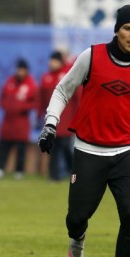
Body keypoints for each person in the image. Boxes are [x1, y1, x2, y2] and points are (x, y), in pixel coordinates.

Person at [37, 4, 130, 257]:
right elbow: (63, 89)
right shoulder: (92, 56)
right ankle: (78, 236)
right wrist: (50, 124)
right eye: (128, 29)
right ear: (117, 30)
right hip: (88, 151)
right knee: (75, 217)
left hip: (125, 154)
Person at [38, 50, 82, 181]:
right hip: (52, 119)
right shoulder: (46, 77)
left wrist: (78, 115)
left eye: (55, 60)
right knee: (53, 146)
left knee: (65, 147)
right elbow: (42, 99)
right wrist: (40, 114)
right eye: (51, 60)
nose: (52, 63)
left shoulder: (67, 74)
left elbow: (77, 96)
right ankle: (54, 175)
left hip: (67, 119)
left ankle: (73, 171)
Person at [0, 59, 38, 180]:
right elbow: (2, 98)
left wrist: (21, 107)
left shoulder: (30, 84)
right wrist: (7, 106)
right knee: (4, 146)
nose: (20, 71)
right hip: (8, 120)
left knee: (21, 148)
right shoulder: (9, 82)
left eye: (22, 69)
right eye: (19, 69)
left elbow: (34, 102)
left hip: (21, 121)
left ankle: (19, 171)